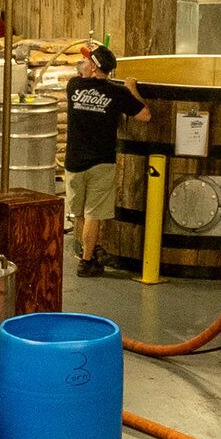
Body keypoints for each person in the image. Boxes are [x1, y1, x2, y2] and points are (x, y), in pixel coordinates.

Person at [61, 39, 141, 274]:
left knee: (81, 212)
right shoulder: (117, 93)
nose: (82, 62)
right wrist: (132, 89)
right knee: (93, 214)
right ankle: (87, 261)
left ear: (94, 67)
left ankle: (89, 249)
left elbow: (85, 82)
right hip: (101, 162)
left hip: (74, 162)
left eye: (86, 60)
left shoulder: (73, 86)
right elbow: (145, 115)